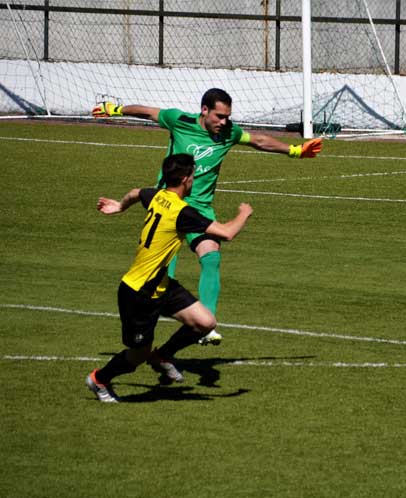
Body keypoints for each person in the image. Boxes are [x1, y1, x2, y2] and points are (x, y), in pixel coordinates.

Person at [92, 88, 322, 351]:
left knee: (211, 255)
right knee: (165, 264)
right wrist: (115, 110)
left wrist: (295, 150)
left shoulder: (228, 133)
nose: (224, 122)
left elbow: (258, 140)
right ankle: (154, 313)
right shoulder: (179, 120)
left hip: (200, 208)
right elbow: (147, 112)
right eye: (219, 116)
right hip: (170, 204)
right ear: (204, 110)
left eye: (227, 117)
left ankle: (206, 328)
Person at [85, 153, 252, 403]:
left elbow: (135, 192)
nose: (194, 180)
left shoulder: (155, 196)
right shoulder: (182, 212)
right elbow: (227, 233)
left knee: (206, 323)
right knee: (136, 355)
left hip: (161, 284)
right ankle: (100, 379)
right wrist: (244, 213)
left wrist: (119, 206)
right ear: (185, 179)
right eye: (193, 176)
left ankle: (162, 356)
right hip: (138, 293)